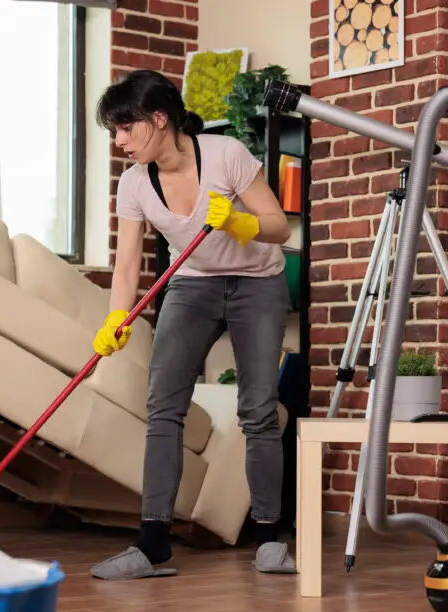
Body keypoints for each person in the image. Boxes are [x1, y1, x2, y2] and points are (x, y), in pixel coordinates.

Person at [88, 69, 295, 580]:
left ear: (159, 120)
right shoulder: (135, 183)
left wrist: (241, 222)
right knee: (163, 405)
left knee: (258, 408)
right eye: (113, 131)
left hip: (258, 283)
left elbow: (278, 225)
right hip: (193, 283)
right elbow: (128, 262)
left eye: (124, 128)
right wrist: (117, 316)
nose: (118, 142)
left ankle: (270, 538)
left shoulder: (224, 154)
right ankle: (153, 543)